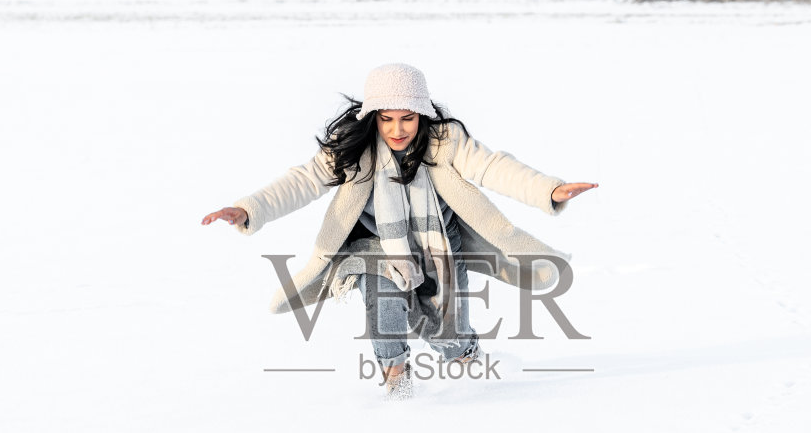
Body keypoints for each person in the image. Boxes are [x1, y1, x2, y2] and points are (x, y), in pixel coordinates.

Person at [201, 63, 597, 399]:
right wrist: (248, 209)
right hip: (375, 248)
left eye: (407, 118)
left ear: (422, 114)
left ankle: (475, 370)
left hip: (440, 244)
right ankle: (398, 387)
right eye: (386, 119)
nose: (397, 129)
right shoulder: (352, 150)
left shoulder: (445, 142)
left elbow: (494, 167)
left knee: (449, 334)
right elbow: (301, 181)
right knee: (384, 306)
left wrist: (549, 189)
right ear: (372, 116)